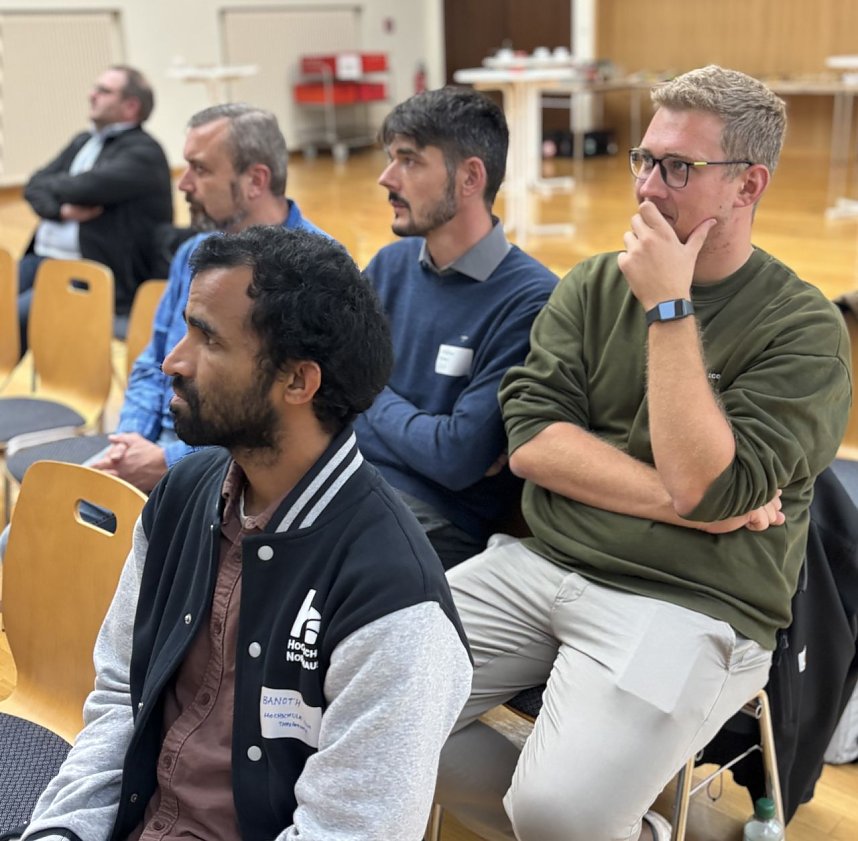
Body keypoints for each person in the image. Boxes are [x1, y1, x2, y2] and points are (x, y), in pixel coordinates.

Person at [435, 66, 852, 841]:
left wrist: (670, 306)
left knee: (555, 812)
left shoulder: (805, 330)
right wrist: (690, 509)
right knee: (354, 700)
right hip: (543, 565)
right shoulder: (593, 283)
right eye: (645, 160)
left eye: (680, 168)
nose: (649, 188)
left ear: (747, 185)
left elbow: (709, 481)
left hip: (695, 605)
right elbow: (532, 440)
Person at [18, 225, 472, 841]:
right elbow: (122, 698)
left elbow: (346, 830)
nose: (171, 361)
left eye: (206, 339)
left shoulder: (395, 604)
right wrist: (62, 831)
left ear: (297, 382)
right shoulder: (180, 497)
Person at [355, 87, 557, 568]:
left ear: (469, 177)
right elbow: (325, 387)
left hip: (432, 522)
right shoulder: (389, 265)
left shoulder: (531, 299)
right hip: (347, 481)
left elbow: (457, 458)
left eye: (408, 160)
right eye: (390, 159)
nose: (387, 178)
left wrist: (365, 395)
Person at [90, 103, 326, 492]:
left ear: (255, 180)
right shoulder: (193, 253)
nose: (183, 184)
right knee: (23, 536)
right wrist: (129, 445)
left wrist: (167, 462)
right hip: (149, 452)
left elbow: (288, 421)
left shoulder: (316, 271)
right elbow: (153, 364)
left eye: (200, 169)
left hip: (237, 473)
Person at [19, 66, 172, 347]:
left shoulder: (144, 153)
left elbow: (82, 188)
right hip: (43, 257)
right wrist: (61, 210)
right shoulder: (83, 141)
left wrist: (55, 188)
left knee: (15, 318)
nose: (92, 95)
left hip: (89, 272)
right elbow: (33, 185)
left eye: (104, 91)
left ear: (130, 106)